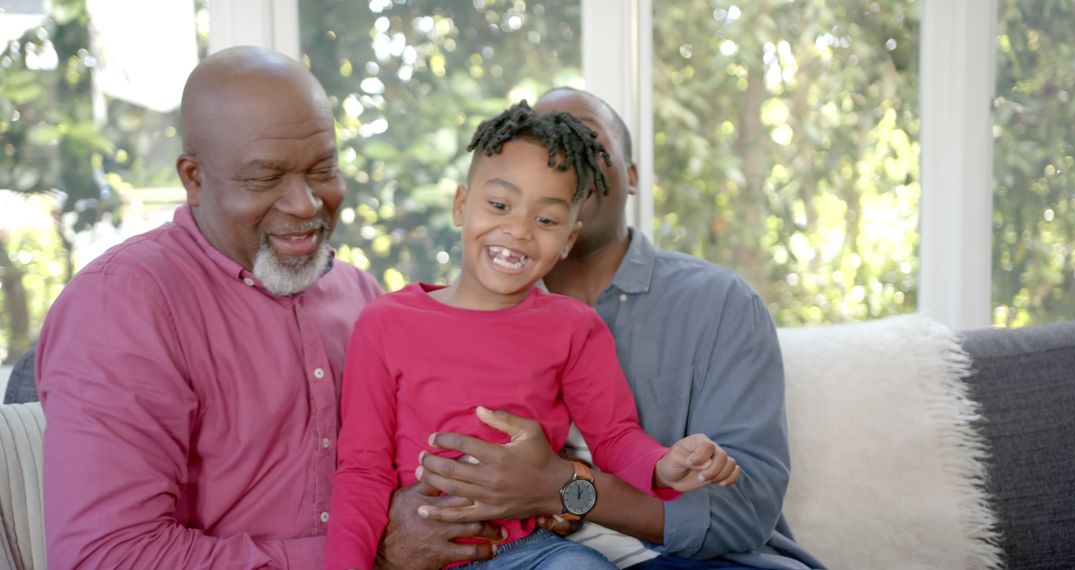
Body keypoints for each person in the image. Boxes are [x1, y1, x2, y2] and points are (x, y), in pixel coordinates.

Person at [394, 88, 826, 569]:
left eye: (588, 144)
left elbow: (741, 513)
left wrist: (563, 489)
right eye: (549, 146)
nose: (566, 156)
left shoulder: (720, 304)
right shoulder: (451, 317)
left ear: (633, 176)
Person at [325, 101, 740, 570]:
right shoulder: (386, 321)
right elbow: (362, 469)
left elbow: (616, 436)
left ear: (567, 238)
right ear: (462, 205)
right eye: (499, 205)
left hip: (528, 554)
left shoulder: (574, 327)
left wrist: (664, 466)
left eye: (545, 220)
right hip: (421, 554)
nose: (519, 231)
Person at [33, 46, 399, 569]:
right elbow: (106, 557)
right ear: (193, 178)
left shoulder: (362, 294)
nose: (305, 204)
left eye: (323, 170)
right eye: (264, 178)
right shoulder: (123, 304)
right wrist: (365, 554)